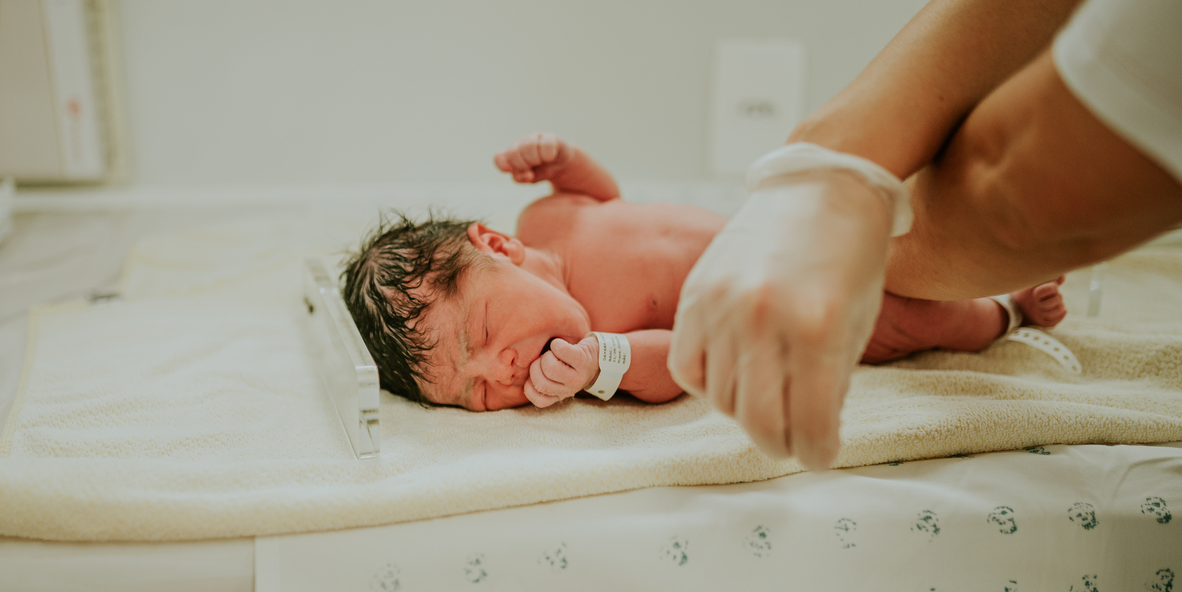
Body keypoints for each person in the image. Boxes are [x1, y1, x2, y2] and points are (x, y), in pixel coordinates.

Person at [668, 0, 1182, 468]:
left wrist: (835, 182)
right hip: (864, 261)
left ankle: (1004, 313)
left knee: (927, 312)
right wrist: (831, 159)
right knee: (911, 316)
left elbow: (1020, 193)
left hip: (901, 261)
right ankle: (999, 310)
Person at [341, 133, 1065, 411]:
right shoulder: (599, 340)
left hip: (780, 230)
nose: (501, 373)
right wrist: (607, 362)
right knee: (916, 319)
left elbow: (606, 199)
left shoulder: (546, 221)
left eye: (486, 332)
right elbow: (679, 365)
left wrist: (568, 164)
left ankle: (991, 238)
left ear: (497, 246)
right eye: (477, 397)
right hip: (791, 308)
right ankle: (1006, 313)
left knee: (897, 216)